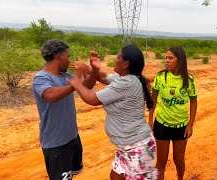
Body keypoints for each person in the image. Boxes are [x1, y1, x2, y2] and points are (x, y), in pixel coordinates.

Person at [67, 44, 158, 180]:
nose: (115, 61)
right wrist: (94, 68)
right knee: (115, 176)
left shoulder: (126, 84)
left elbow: (92, 99)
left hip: (136, 147)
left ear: (126, 63)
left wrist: (76, 82)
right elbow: (103, 77)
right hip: (126, 146)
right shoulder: (127, 79)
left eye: (117, 58)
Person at [32, 40, 99, 180]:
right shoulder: (41, 78)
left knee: (70, 175)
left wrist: (94, 70)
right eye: (68, 56)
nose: (69, 60)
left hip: (72, 137)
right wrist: (79, 78)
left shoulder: (66, 77)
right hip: (56, 143)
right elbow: (51, 96)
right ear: (59, 56)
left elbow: (87, 86)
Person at [149, 47, 198, 180]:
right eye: (166, 58)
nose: (167, 61)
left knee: (179, 161)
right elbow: (153, 99)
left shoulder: (189, 80)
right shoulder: (160, 77)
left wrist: (190, 125)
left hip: (181, 126)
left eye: (171, 58)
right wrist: (150, 120)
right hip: (162, 125)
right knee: (161, 163)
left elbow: (193, 102)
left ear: (180, 61)